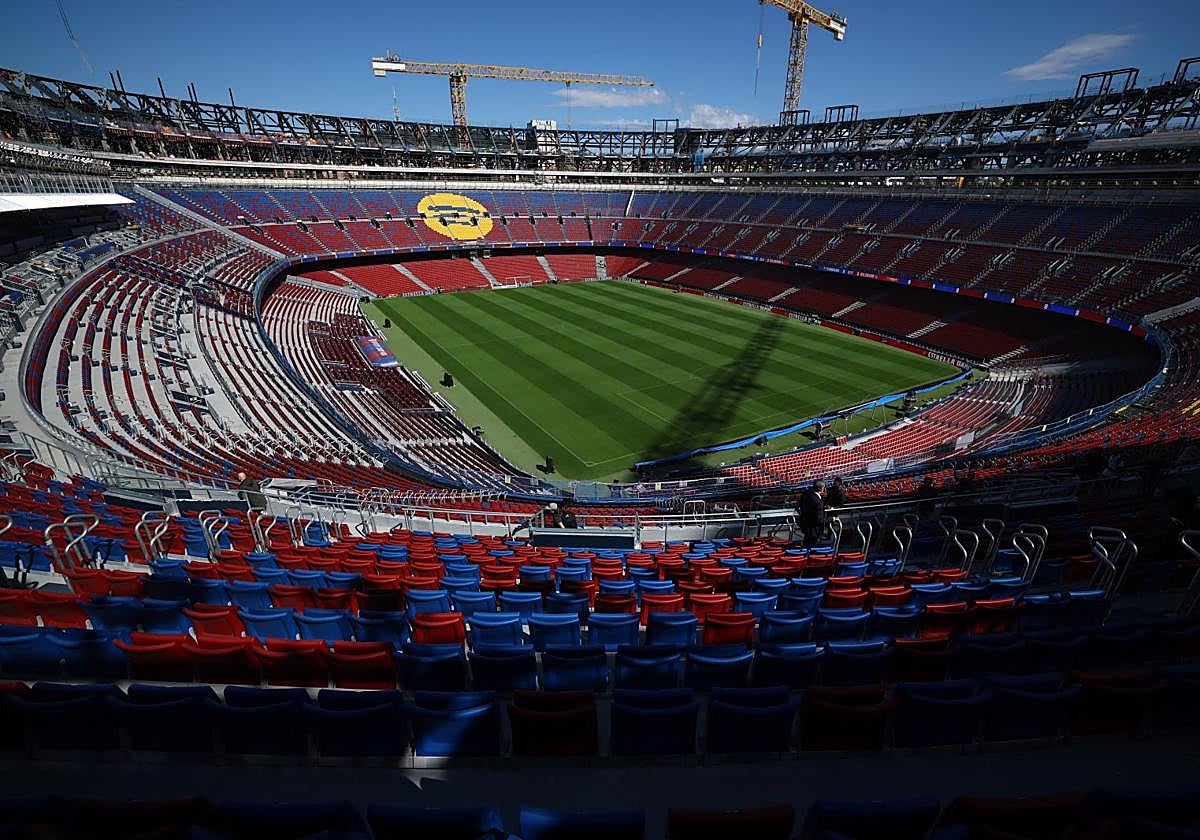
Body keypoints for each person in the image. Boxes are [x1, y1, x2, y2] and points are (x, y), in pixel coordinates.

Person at [795, 480, 827, 548]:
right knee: (810, 545)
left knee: (806, 543)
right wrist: (830, 519)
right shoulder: (817, 502)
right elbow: (819, 519)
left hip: (805, 523)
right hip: (813, 528)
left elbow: (798, 506)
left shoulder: (806, 494)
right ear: (821, 489)